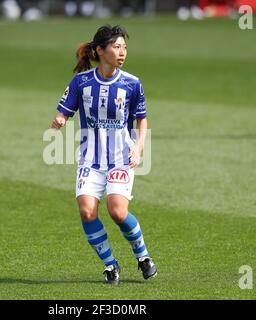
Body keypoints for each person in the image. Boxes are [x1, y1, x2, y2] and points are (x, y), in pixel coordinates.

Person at [51, 25, 157, 285]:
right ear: (100, 50)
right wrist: (60, 119)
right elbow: (65, 109)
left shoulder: (132, 83)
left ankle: (143, 257)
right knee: (87, 211)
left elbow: (141, 120)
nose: (122, 52)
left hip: (121, 157)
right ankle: (110, 265)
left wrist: (139, 146)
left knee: (117, 212)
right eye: (116, 47)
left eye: (124, 47)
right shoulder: (81, 82)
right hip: (90, 159)